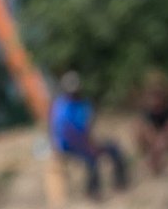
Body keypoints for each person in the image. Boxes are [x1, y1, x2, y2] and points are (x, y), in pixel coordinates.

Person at [49, 72, 129, 200]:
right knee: (91, 157)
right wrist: (88, 146)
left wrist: (92, 143)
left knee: (113, 148)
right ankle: (92, 191)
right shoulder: (61, 106)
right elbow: (68, 134)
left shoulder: (85, 104)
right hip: (68, 145)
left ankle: (120, 183)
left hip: (86, 141)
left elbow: (88, 127)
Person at [133, 72, 168, 177]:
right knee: (139, 129)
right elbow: (144, 127)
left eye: (158, 94)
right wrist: (156, 141)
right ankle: (151, 160)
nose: (155, 98)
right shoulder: (146, 110)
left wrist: (165, 140)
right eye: (153, 94)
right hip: (154, 141)